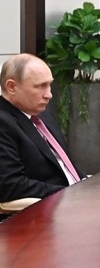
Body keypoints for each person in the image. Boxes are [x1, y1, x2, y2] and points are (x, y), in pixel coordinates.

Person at [0, 54, 81, 205]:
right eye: (40, 86)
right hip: (47, 209)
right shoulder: (3, 123)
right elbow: (11, 185)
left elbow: (66, 166)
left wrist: (89, 184)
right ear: (11, 87)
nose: (49, 95)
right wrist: (70, 192)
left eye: (49, 85)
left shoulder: (42, 114)